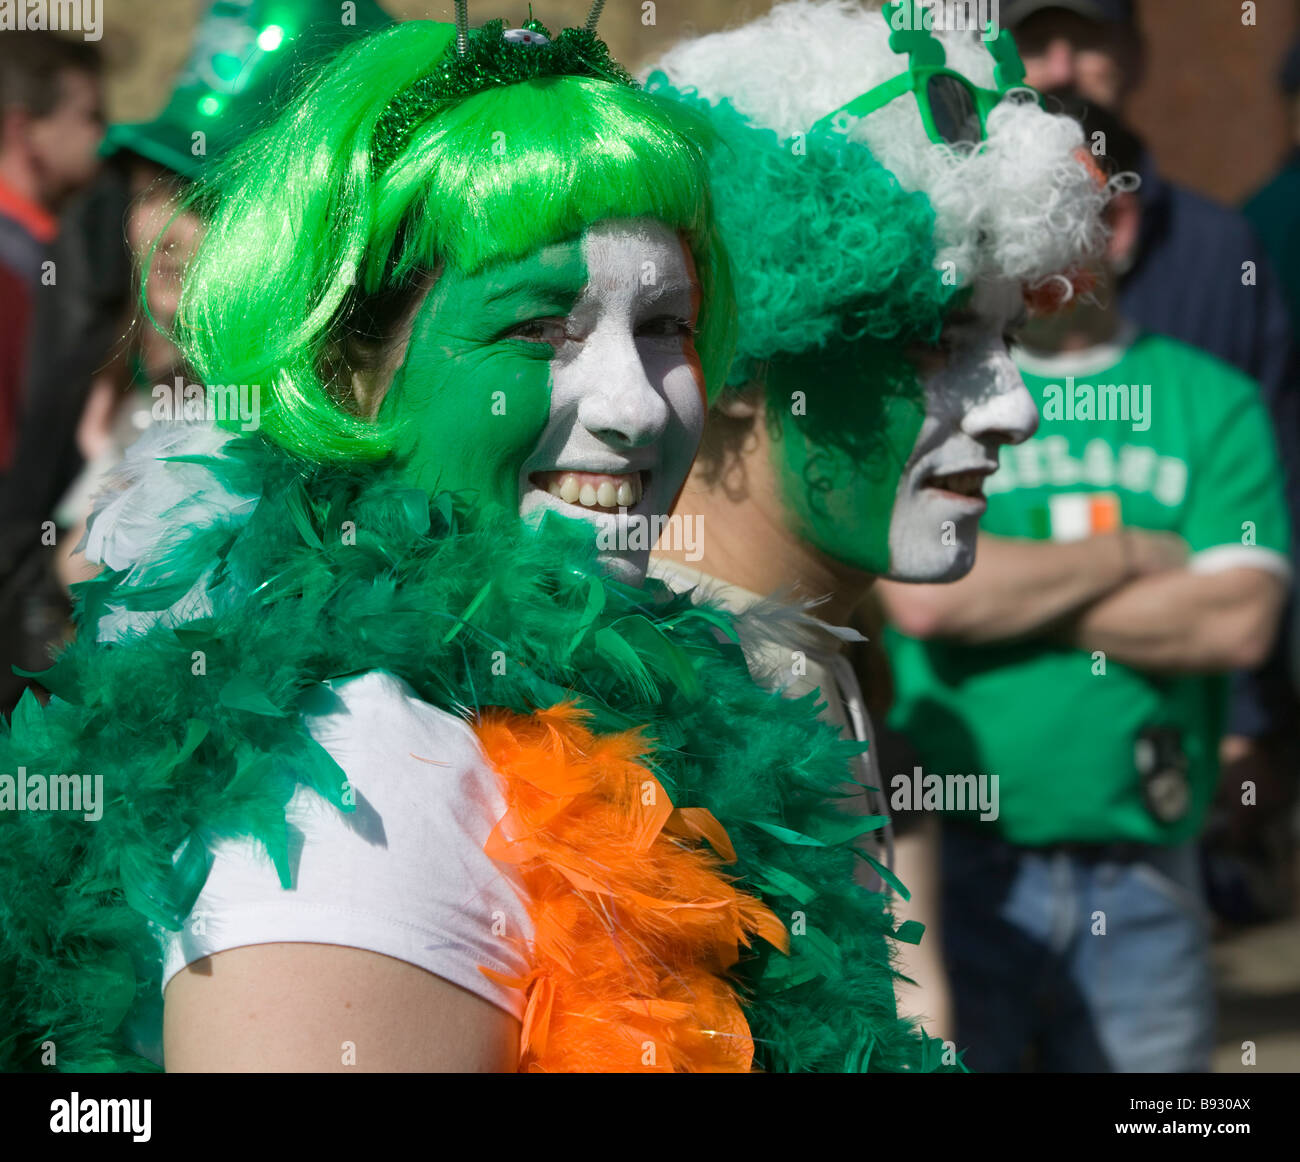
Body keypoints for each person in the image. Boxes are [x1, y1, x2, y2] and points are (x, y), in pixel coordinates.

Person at [0, 13, 943, 1074]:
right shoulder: (357, 788)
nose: (634, 404)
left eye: (668, 325)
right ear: (352, 367)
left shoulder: (566, 698)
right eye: (537, 327)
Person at [644, 0, 1109, 1041]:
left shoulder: (801, 654)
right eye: (935, 341)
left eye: (1004, 337)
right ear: (738, 359)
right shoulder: (633, 714)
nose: (1013, 408)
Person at [877, 98, 1291, 1072]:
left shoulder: (1211, 400)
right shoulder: (947, 382)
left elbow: (1237, 624)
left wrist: (1011, 598)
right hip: (958, 860)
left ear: (1126, 221)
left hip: (1144, 864)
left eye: (1079, 202)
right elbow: (927, 599)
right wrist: (1136, 556)